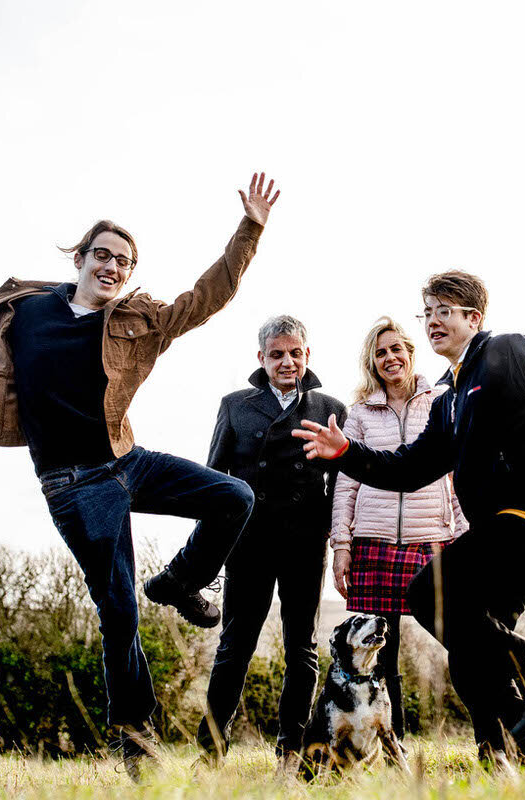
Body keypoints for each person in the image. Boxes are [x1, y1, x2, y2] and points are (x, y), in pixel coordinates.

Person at [0, 173, 280, 778]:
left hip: (125, 462)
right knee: (118, 611)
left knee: (234, 496)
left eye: (124, 262)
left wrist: (251, 229)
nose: (112, 267)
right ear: (80, 258)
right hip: (73, 486)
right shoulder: (26, 314)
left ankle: (181, 582)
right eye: (102, 255)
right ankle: (133, 738)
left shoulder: (140, 322)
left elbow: (208, 294)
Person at [294, 271, 525, 769]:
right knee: (471, 650)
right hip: (507, 531)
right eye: (429, 312)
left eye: (445, 311)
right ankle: (520, 751)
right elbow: (409, 468)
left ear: (473, 318)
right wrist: (346, 453)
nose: (434, 321)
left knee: (425, 594)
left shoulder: (509, 351)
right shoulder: (450, 396)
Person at [195, 315, 346, 775]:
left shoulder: (330, 408)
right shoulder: (235, 405)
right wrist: (210, 547)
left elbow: (342, 487)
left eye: (295, 353)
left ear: (307, 356)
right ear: (261, 358)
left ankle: (291, 753)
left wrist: (337, 538)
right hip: (248, 541)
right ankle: (210, 754)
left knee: (301, 647)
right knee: (235, 645)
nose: (287, 361)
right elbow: (213, 478)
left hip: (304, 541)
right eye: (277, 353)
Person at [330, 316, 468, 740]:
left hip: (433, 539)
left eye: (396, 350)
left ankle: (495, 732)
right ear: (372, 362)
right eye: (381, 352)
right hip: (373, 541)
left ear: (410, 353)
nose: (390, 358)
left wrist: (465, 534)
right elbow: (345, 482)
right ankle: (394, 743)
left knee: (463, 639)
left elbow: (457, 475)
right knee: (379, 657)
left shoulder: (443, 400)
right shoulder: (360, 415)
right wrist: (341, 544)